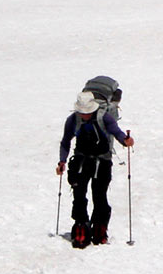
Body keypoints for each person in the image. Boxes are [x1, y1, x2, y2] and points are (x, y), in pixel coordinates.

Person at [57, 91, 134, 248]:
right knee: (79, 194)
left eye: (87, 112)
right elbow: (65, 142)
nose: (85, 115)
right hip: (81, 160)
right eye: (82, 112)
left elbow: (116, 131)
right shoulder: (73, 120)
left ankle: (99, 227)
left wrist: (125, 141)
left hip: (102, 161)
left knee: (99, 195)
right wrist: (62, 161)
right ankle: (81, 224)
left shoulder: (104, 117)